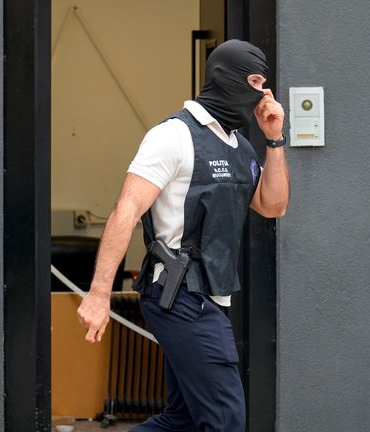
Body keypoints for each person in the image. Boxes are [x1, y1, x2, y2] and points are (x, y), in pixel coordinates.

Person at [77, 39, 290, 431]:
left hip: (211, 296)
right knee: (225, 418)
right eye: (256, 81)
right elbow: (125, 211)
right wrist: (99, 293)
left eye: (265, 83)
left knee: (184, 419)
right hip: (180, 296)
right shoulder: (174, 136)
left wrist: (273, 140)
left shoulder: (239, 145)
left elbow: (273, 206)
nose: (262, 93)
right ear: (227, 78)